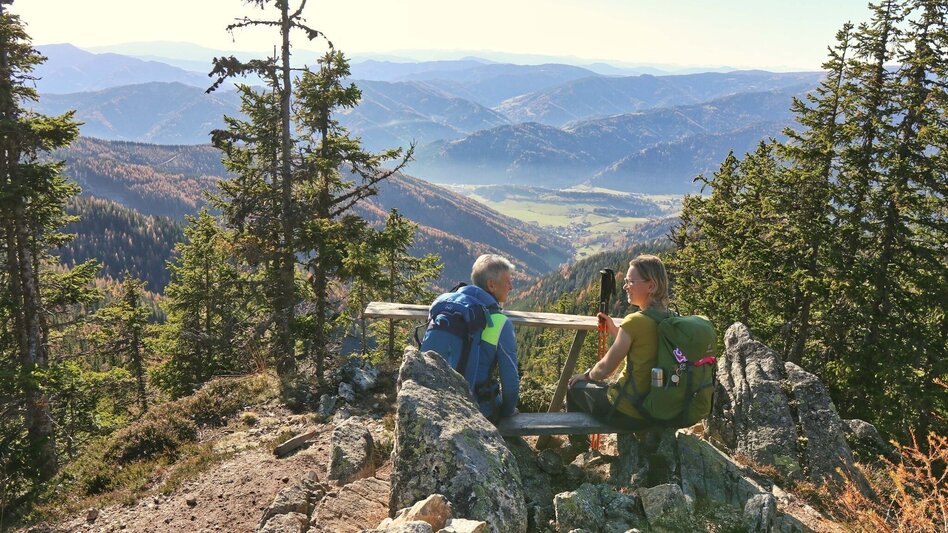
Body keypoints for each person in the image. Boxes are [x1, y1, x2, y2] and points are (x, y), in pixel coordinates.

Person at [564, 254, 670, 453]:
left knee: (573, 387)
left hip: (628, 411)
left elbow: (605, 369)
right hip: (655, 409)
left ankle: (578, 450)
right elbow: (642, 345)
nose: (625, 287)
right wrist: (615, 329)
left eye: (630, 281)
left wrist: (586, 376)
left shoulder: (635, 321)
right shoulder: (667, 318)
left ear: (651, 286)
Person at [464, 254, 520, 421]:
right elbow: (510, 383)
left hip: (442, 401)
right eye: (507, 281)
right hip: (479, 411)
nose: (511, 287)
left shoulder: (457, 310)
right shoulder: (499, 322)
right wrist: (508, 411)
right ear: (491, 285)